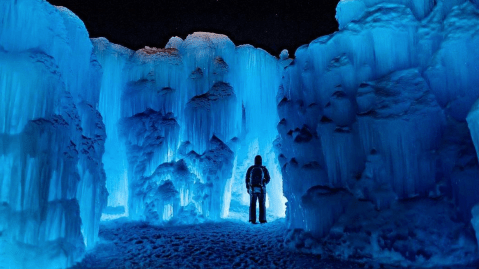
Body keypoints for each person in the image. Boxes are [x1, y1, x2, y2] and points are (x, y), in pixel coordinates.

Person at [245, 155, 271, 224]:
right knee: (262, 204)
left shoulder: (251, 168)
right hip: (262, 190)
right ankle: (262, 220)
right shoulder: (264, 169)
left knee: (252, 204)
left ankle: (252, 219)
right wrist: (264, 183)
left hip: (252, 189)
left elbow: (247, 179)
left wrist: (248, 187)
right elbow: (268, 178)